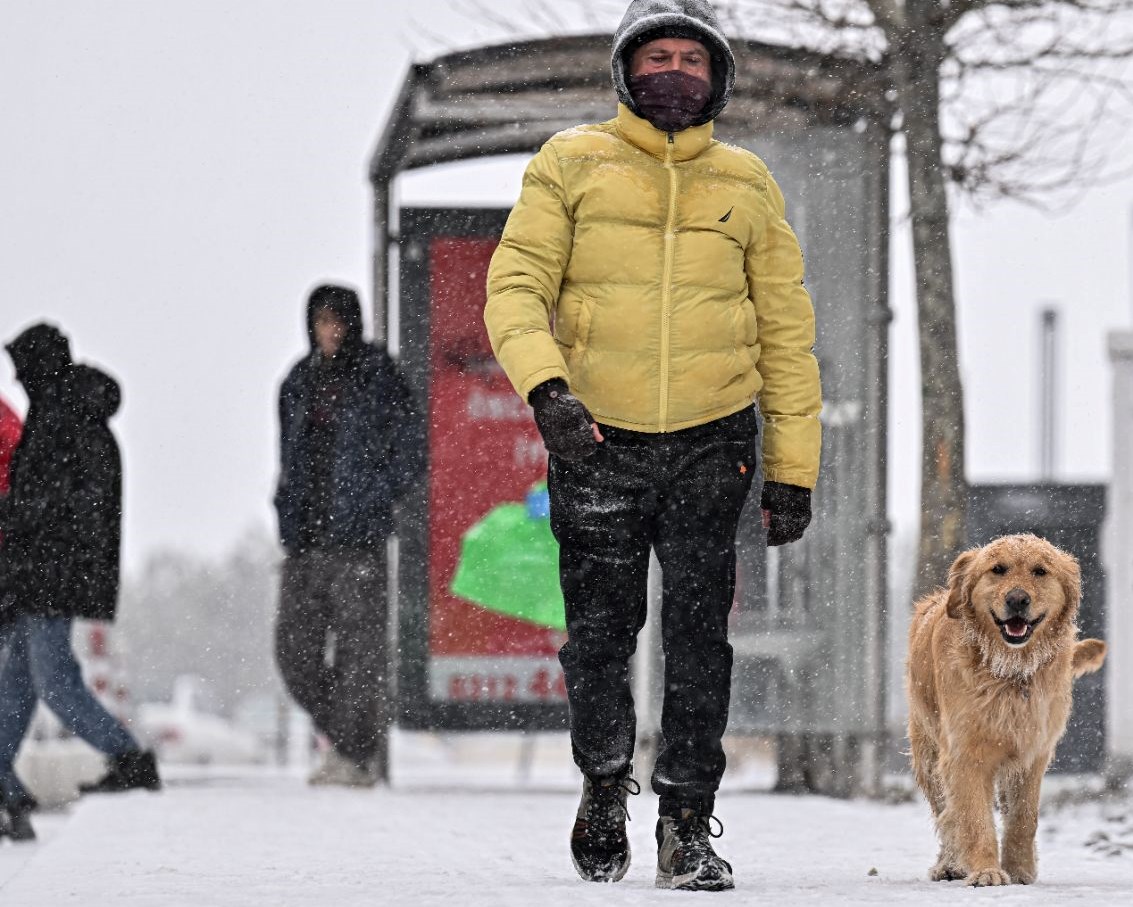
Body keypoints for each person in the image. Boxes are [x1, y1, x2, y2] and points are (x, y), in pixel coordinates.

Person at [485, 0, 822, 891]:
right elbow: (515, 286)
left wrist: (792, 468)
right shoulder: (571, 163)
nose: (675, 73)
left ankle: (684, 822)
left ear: (719, 78)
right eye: (657, 56)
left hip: (716, 441)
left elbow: (787, 335)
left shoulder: (747, 183)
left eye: (693, 60)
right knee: (598, 637)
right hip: (598, 437)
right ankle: (604, 781)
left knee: (700, 637)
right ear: (625, 73)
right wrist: (547, 391)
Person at [0, 323, 159, 844]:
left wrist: (32, 552)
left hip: (48, 576)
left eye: (24, 370)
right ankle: (3, 780)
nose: (20, 380)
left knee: (51, 682)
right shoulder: (69, 415)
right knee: (18, 684)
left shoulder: (64, 420)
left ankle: (127, 757)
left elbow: (53, 511)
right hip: (42, 575)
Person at [273, 284, 423, 788]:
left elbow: (411, 449)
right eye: (321, 321)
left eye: (338, 321)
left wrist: (375, 496)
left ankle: (354, 754)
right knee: (294, 653)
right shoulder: (297, 382)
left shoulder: (380, 379)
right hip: (305, 541)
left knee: (361, 654)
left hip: (358, 539)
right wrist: (286, 508)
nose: (329, 331)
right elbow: (289, 458)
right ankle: (353, 737)